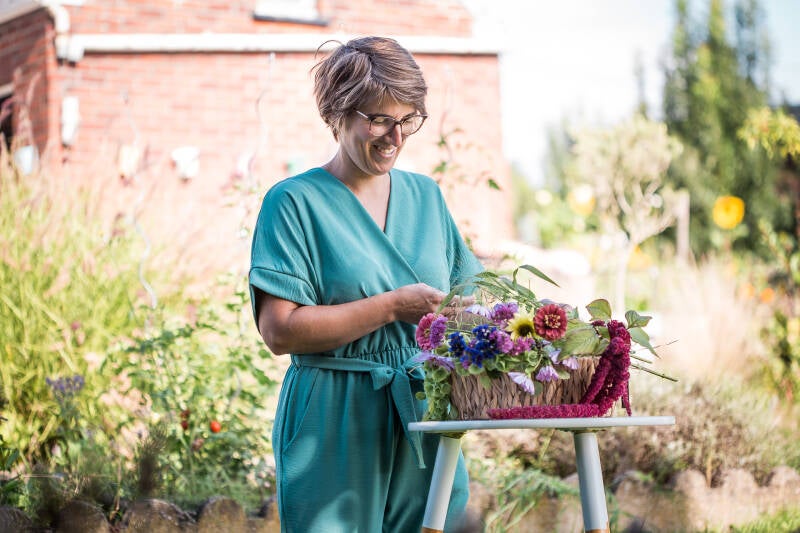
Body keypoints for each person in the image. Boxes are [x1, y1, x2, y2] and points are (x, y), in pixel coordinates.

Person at [249, 36, 483, 532]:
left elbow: (473, 299)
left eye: (407, 120)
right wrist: (393, 307)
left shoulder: (426, 197)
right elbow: (280, 331)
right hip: (332, 413)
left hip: (423, 408)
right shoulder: (293, 203)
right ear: (336, 115)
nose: (394, 137)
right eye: (378, 118)